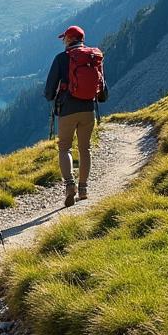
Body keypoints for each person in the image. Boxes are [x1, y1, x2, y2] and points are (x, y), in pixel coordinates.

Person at [44, 25, 108, 207]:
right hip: (88, 109)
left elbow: (49, 91)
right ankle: (83, 189)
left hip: (67, 110)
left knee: (65, 148)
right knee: (85, 148)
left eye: (65, 38)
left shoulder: (61, 59)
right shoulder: (94, 58)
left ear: (70, 39)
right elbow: (103, 90)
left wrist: (52, 97)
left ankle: (69, 184)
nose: (63, 41)